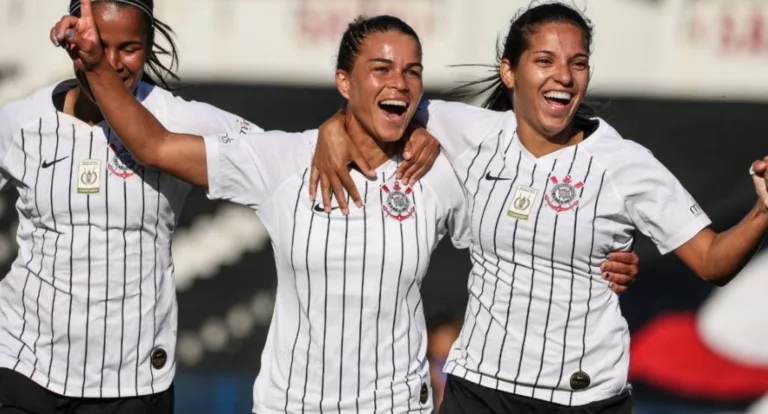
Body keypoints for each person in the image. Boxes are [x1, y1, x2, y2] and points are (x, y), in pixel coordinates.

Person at [50, 2, 642, 411]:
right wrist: (98, 65)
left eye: (412, 72)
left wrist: (612, 255)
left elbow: (535, 222)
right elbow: (154, 144)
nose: (400, 83)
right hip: (291, 405)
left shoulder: (440, 170)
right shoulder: (281, 162)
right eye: (380, 68)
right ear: (343, 81)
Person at [309, 2, 768, 413]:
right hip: (478, 390)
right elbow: (380, 105)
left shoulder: (625, 164)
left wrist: (763, 210)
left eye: (578, 63)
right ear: (509, 72)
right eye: (544, 60)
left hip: (583, 399)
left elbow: (712, 261)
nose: (564, 77)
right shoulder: (470, 130)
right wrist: (334, 129)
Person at [0, 0, 267, 412]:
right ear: (73, 41)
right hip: (22, 366)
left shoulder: (178, 121)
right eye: (99, 45)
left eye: (128, 48)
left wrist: (342, 136)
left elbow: (275, 157)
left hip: (131, 380)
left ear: (149, 45)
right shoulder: (21, 122)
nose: (111, 63)